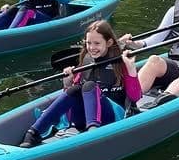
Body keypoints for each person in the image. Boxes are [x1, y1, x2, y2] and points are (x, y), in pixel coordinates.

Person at [19, 20, 141, 148]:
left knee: (89, 86)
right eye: (88, 43)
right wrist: (67, 83)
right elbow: (73, 96)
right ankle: (34, 132)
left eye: (97, 43)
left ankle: (92, 133)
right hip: (83, 119)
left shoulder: (121, 62)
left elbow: (135, 97)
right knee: (75, 89)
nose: (92, 47)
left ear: (109, 42)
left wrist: (131, 69)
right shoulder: (86, 60)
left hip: (112, 117)